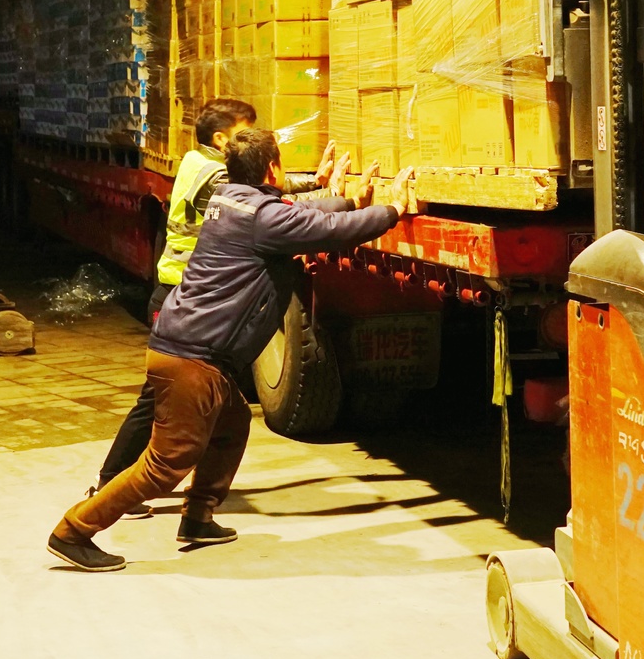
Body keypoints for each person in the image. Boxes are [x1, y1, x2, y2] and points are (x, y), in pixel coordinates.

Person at [47, 129, 410, 571]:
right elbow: (326, 230)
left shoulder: (231, 200)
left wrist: (350, 201)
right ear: (272, 168)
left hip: (188, 348)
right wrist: (392, 211)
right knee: (165, 464)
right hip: (194, 358)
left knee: (232, 423)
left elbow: (302, 215)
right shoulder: (261, 216)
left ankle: (198, 517)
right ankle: (73, 531)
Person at [88, 98, 340, 512]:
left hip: (189, 296)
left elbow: (264, 190)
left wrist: (315, 182)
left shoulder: (198, 161)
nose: (250, 141)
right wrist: (327, 192)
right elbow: (263, 200)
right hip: (180, 296)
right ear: (222, 139)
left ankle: (196, 508)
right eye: (244, 133)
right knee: (155, 402)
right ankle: (110, 485)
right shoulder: (213, 176)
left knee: (221, 412)